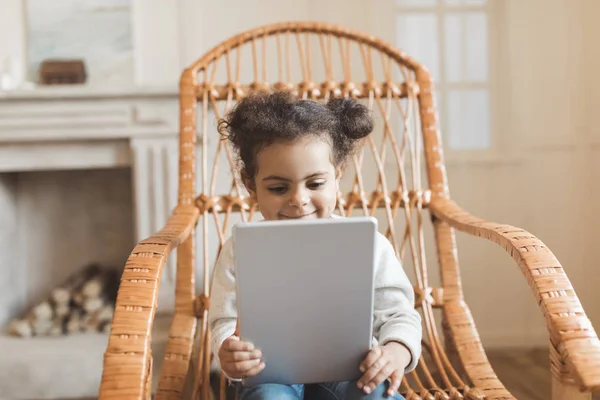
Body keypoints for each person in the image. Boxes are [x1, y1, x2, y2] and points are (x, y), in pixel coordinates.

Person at [208, 91, 422, 400]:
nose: (299, 199)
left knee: (376, 393)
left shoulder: (367, 244)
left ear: (337, 176)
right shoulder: (240, 250)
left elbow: (399, 313)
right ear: (251, 185)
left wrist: (396, 350)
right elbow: (224, 322)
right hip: (270, 376)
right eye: (279, 187)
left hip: (351, 372)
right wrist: (230, 352)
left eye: (315, 184)